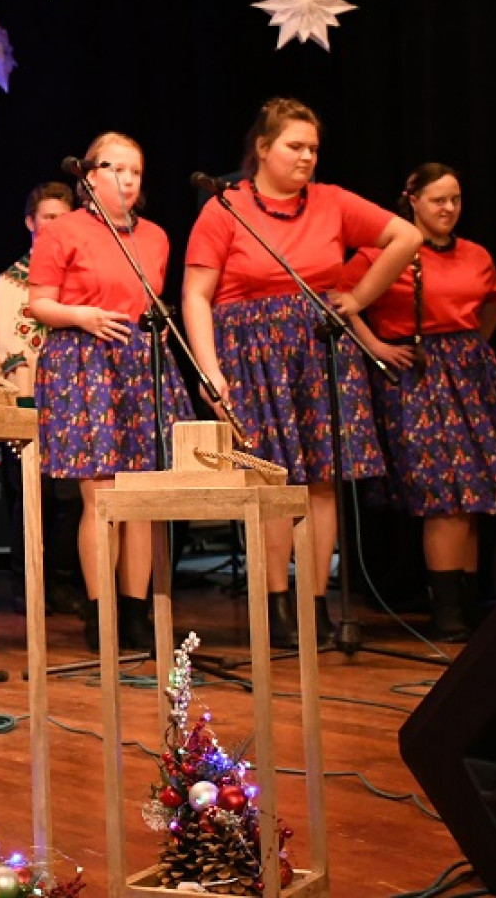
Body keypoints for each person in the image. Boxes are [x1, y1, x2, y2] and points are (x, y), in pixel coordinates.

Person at [182, 97, 420, 649]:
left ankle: (314, 604)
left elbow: (405, 239)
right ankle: (276, 605)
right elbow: (195, 295)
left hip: (318, 352)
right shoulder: (225, 208)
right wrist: (210, 370)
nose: (307, 156)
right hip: (251, 356)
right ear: (263, 148)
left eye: (313, 148)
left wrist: (357, 298)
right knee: (272, 481)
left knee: (322, 481)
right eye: (295, 146)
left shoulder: (332, 202)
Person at [343, 163, 496, 639]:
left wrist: (473, 345)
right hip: (417, 376)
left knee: (473, 495)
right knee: (445, 497)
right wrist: (376, 346)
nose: (449, 208)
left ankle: (467, 604)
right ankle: (446, 611)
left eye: (455, 199)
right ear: (411, 199)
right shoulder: (382, 253)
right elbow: (339, 300)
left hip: (470, 375)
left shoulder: (476, 254)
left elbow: (495, 298)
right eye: (438, 200)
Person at [28, 136, 192, 652]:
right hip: (83, 360)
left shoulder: (156, 237)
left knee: (140, 495)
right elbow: (39, 304)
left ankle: (136, 611)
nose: (127, 179)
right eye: (115, 168)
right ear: (89, 176)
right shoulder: (62, 232)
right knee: (100, 494)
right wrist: (83, 316)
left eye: (135, 171)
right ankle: (100, 612)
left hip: (139, 363)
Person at [0, 180, 85, 621]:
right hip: (23, 404)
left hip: (74, 404)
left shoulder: (79, 281)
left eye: (64, 218)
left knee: (72, 496)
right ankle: (27, 583)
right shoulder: (6, 285)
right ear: (30, 223)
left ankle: (63, 581)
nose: (56, 226)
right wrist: (3, 395)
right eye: (48, 218)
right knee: (28, 496)